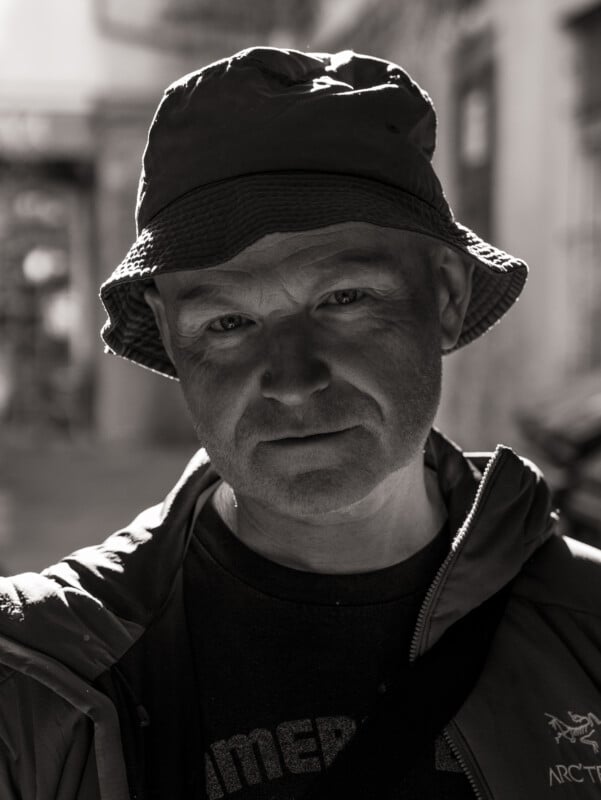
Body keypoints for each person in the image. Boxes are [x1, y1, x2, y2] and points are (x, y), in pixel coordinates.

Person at [1, 47, 600, 800]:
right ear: (172, 336)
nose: (291, 380)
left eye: (344, 299)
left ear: (444, 296)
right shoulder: (34, 676)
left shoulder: (585, 630)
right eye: (227, 323)